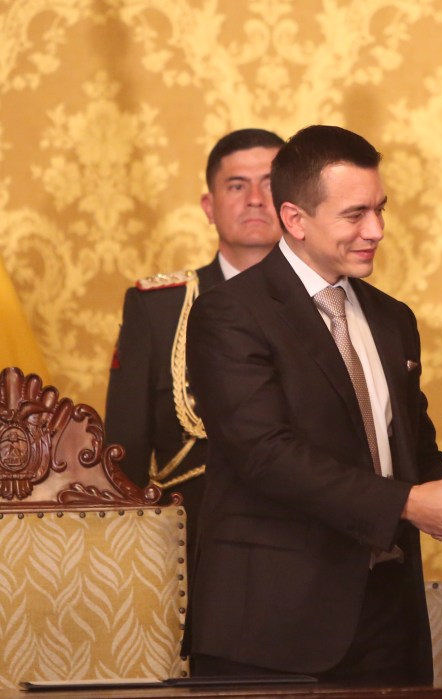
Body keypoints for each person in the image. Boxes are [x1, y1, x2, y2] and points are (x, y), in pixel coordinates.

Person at [184, 124, 442, 684]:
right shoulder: (230, 313)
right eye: (355, 214)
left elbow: (417, 456)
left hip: (388, 618)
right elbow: (265, 455)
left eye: (380, 209)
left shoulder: (392, 318)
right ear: (295, 219)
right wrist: (405, 504)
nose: (376, 230)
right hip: (273, 627)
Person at [105, 128, 285, 571]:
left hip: (313, 543)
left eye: (270, 184)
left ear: (294, 204)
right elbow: (124, 451)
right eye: (237, 186)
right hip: (194, 547)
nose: (255, 199)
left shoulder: (333, 302)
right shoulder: (158, 307)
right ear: (209, 206)